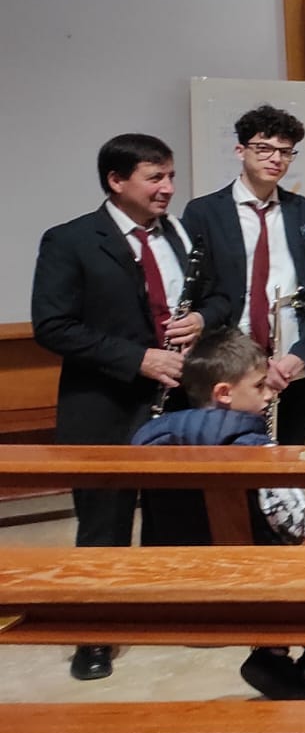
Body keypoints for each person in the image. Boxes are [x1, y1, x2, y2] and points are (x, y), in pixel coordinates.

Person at [32, 134, 215, 681]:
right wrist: (138, 359)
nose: (168, 188)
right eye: (155, 177)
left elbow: (217, 297)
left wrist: (203, 320)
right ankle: (95, 636)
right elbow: (54, 326)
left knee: (178, 514)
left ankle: (167, 611)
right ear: (116, 181)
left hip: (178, 402)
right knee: (104, 525)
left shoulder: (182, 235)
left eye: (171, 176)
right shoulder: (70, 240)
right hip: (105, 405)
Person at [132, 328, 305, 700]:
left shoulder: (152, 440)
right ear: (224, 393)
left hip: (176, 581)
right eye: (259, 386)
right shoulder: (255, 449)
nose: (270, 393)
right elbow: (293, 525)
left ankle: (274, 656)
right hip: (256, 585)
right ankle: (304, 669)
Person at [184, 105, 305, 445]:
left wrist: (299, 356)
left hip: (291, 365)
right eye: (263, 149)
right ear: (241, 151)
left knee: (289, 463)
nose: (275, 159)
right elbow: (199, 292)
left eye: (285, 152)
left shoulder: (303, 210)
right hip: (232, 368)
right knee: (233, 466)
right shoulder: (205, 212)